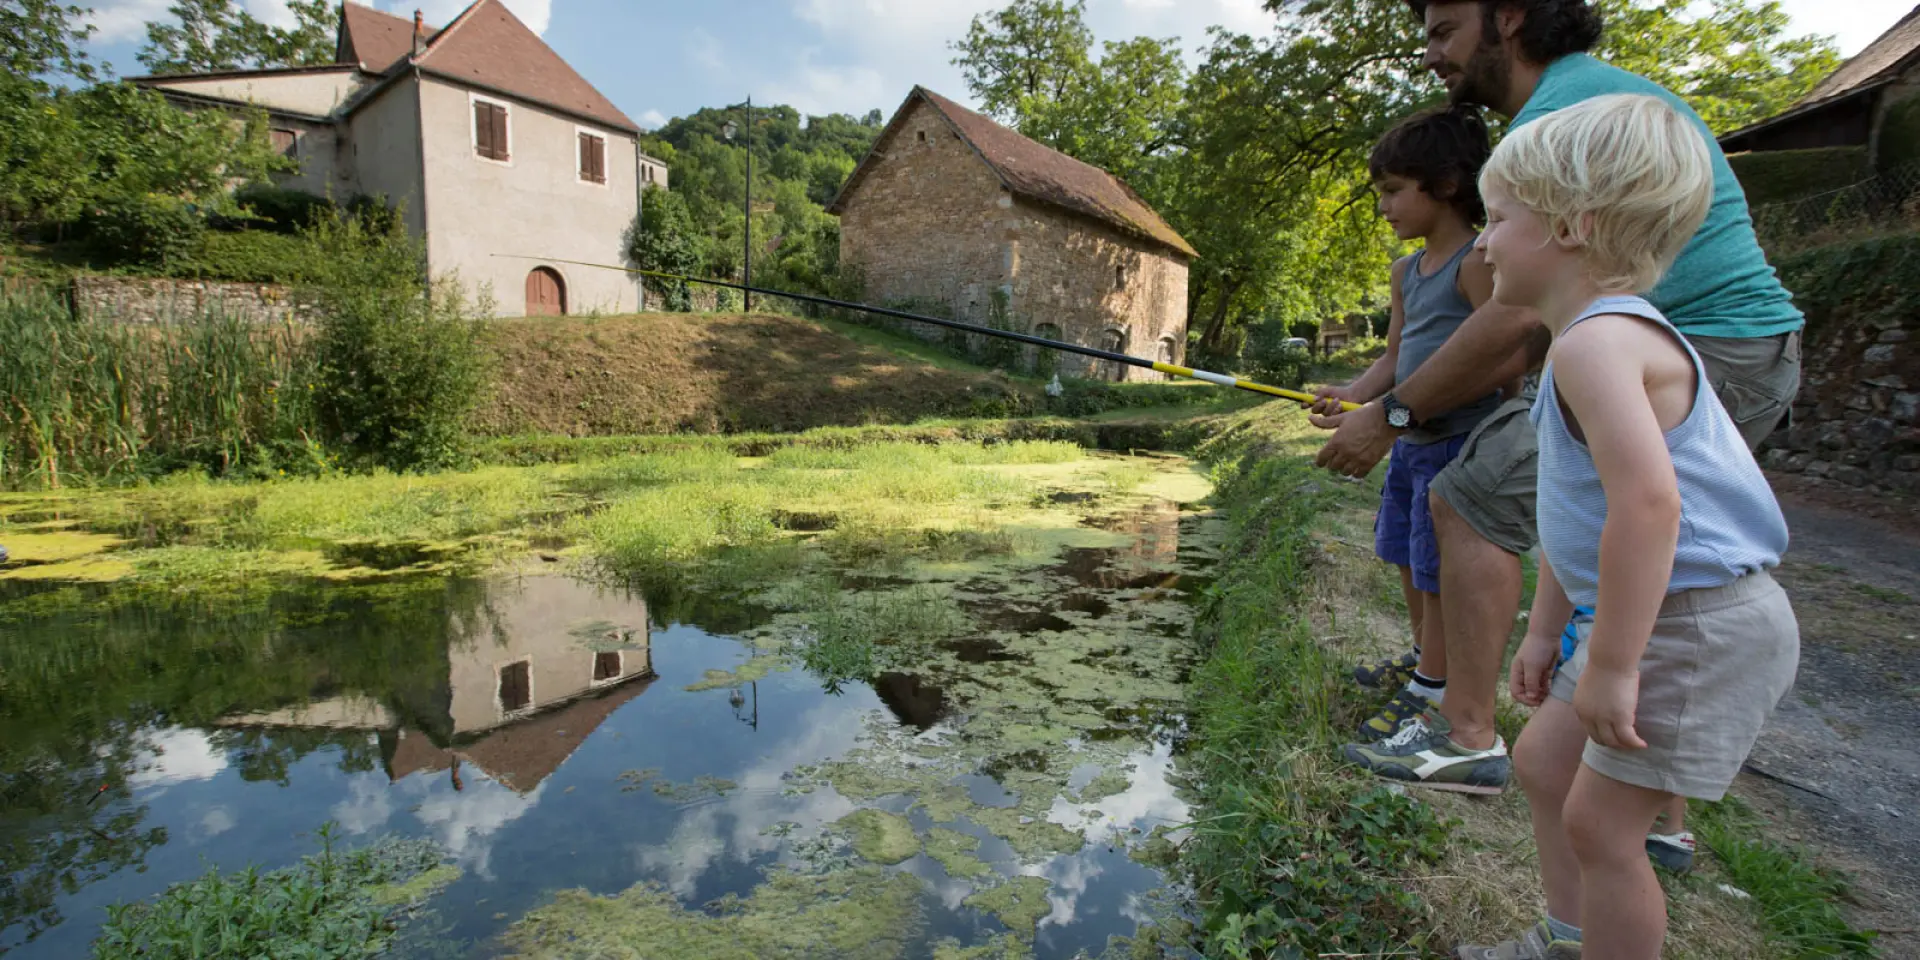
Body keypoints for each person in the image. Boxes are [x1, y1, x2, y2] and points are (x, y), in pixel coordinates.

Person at [1330, 0, 1803, 854]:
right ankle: (1649, 811)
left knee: (1470, 497)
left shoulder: (1562, 131)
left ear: (1506, 18)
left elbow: (1508, 323)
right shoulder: (1576, 116)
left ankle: (1469, 736)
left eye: (1443, 28)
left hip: (1714, 345)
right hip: (1720, 347)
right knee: (1612, 541)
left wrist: (1393, 415)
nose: (1430, 51)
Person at [1450, 91, 1797, 960]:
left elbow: (1649, 508)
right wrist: (1546, 631)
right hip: (1645, 618)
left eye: (1497, 219)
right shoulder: (1584, 340)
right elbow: (1586, 514)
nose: (1483, 241)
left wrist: (1611, 665)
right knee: (1541, 766)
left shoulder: (1595, 345)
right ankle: (1568, 939)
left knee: (1605, 827)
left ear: (1570, 224)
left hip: (1694, 625)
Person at [1312, 106, 1530, 746]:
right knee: (1406, 556)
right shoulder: (1404, 272)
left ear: (1447, 185)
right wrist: (1352, 396)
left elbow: (1505, 355)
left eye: (1393, 190)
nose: (1383, 206)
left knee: (1439, 570)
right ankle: (1425, 662)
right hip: (1411, 441)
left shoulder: (1475, 261)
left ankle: (1431, 689)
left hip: (1460, 445)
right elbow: (1394, 355)